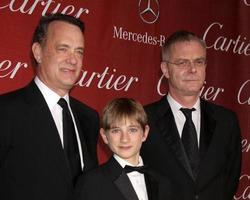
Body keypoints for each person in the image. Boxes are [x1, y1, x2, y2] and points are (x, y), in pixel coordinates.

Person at [0, 13, 99, 200]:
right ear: (38, 52)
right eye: (63, 49)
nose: (73, 59)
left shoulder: (89, 118)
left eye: (79, 51)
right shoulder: (6, 112)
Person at [141, 30, 242, 200]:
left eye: (199, 61)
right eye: (182, 62)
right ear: (165, 69)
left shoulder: (227, 121)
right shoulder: (143, 119)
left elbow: (230, 180)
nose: (193, 69)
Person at [74, 98, 173, 200]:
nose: (124, 139)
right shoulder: (91, 182)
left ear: (145, 133)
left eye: (132, 130)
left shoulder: (162, 182)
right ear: (104, 136)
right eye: (116, 131)